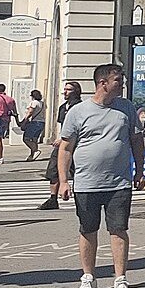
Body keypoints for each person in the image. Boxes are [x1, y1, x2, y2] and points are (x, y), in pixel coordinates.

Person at [56, 62, 144, 288]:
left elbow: (137, 141)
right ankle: (88, 278)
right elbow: (65, 148)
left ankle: (120, 280)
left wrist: (140, 171)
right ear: (103, 83)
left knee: (118, 230)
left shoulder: (126, 108)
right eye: (118, 80)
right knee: (88, 230)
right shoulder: (78, 112)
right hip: (86, 183)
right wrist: (64, 181)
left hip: (119, 183)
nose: (122, 83)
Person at [40, 79, 83, 210]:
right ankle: (53, 198)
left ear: (76, 91)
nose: (65, 92)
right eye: (65, 89)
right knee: (53, 170)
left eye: (69, 89)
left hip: (77, 144)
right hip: (63, 144)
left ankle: (80, 198)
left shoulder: (80, 107)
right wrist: (60, 138)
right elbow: (64, 127)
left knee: (78, 172)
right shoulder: (63, 108)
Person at [19, 89, 46, 160]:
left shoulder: (34, 103)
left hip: (35, 122)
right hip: (42, 122)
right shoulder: (42, 103)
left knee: (26, 138)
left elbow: (30, 112)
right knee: (34, 139)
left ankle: (35, 151)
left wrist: (25, 120)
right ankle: (32, 155)